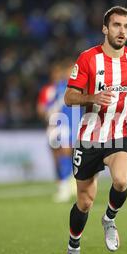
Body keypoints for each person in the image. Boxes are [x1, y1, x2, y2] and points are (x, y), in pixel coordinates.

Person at [62, 6, 127, 254]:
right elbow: (69, 97)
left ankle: (109, 219)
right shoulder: (89, 59)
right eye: (116, 25)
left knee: (122, 180)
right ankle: (73, 247)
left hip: (119, 133)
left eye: (126, 26)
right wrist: (92, 97)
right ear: (105, 28)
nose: (122, 31)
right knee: (84, 201)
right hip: (90, 138)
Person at [37, 59, 78, 203]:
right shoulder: (59, 87)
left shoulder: (80, 85)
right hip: (62, 124)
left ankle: (71, 182)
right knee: (62, 153)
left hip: (75, 123)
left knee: (72, 154)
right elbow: (47, 106)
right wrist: (49, 111)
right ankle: (65, 185)